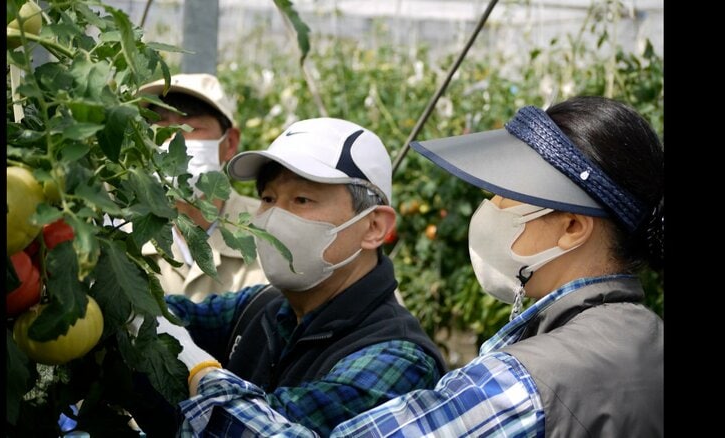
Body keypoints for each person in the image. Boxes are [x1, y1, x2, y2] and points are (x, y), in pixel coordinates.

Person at [156, 95, 664, 437]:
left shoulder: (531, 378)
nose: (485, 211)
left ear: (573, 227)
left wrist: (198, 371)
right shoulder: (639, 336)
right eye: (268, 198)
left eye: (503, 197)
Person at [139, 117, 447, 437]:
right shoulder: (263, 307)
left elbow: (261, 428)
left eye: (301, 200)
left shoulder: (396, 358)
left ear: (374, 227)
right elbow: (173, 314)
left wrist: (195, 368)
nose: (274, 218)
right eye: (269, 199)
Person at [138, 73, 268, 301]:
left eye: (191, 128)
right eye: (161, 127)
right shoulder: (128, 238)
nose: (173, 141)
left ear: (230, 143)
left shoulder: (267, 230)